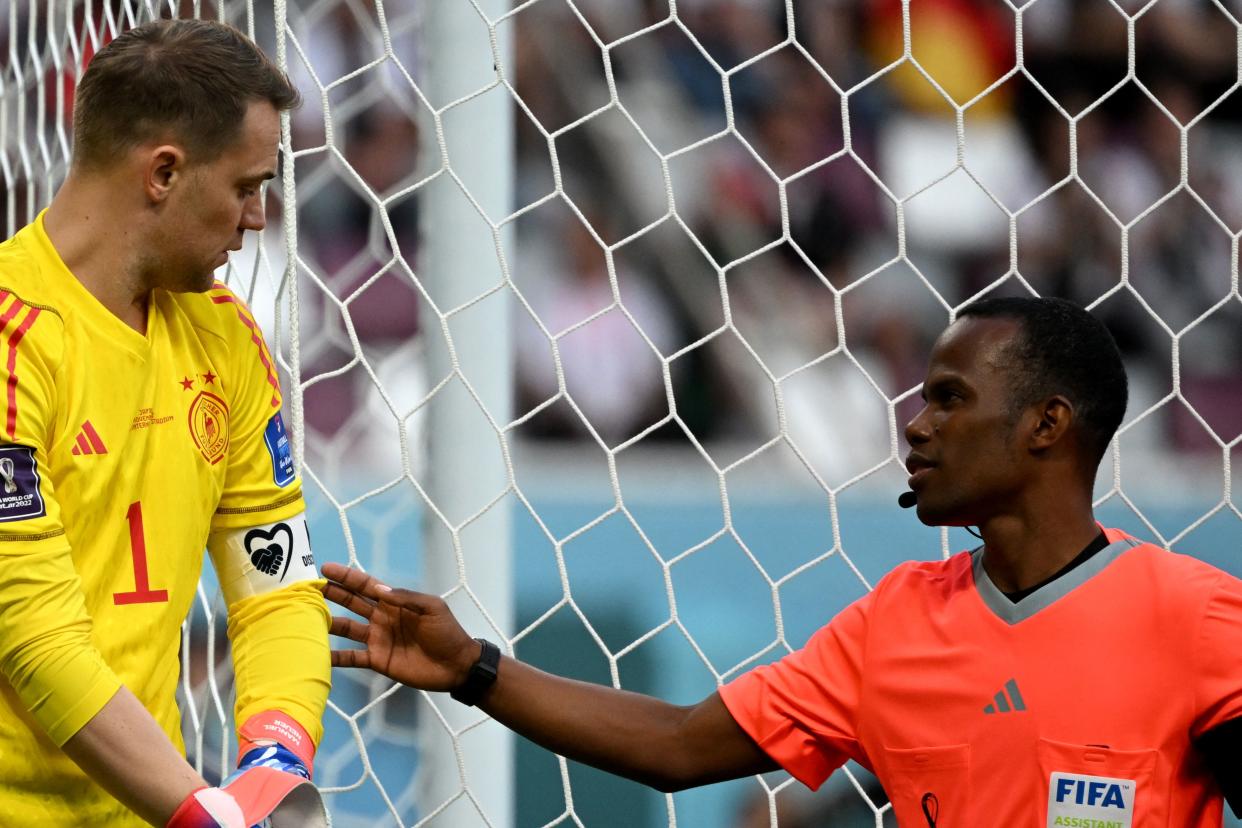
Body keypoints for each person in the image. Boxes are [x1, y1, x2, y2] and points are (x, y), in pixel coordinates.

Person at [322, 296, 1242, 825]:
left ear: (1047, 424)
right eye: (921, 398)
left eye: (950, 399)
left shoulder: (1195, 622)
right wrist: (473, 670)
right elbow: (679, 747)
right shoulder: (897, 625)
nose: (915, 425)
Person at [0, 19, 331, 827]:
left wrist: (273, 761)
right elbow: (34, 636)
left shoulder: (227, 337)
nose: (258, 219)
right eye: (248, 186)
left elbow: (276, 588)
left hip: (148, 808)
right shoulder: (12, 341)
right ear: (164, 173)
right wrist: (200, 813)